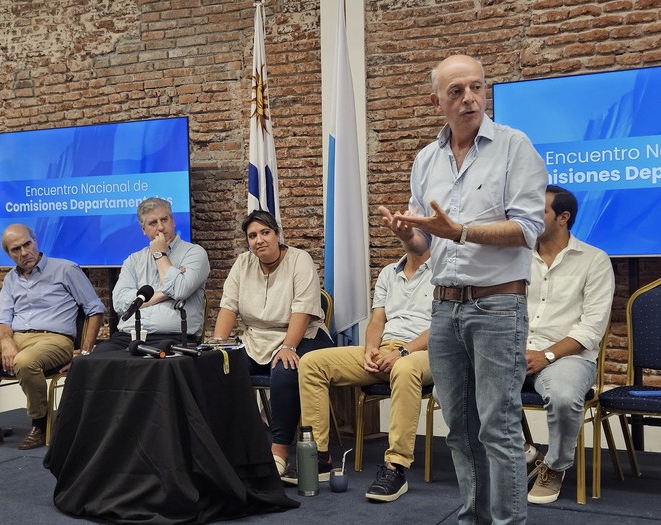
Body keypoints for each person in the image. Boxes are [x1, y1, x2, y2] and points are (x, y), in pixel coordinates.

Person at [380, 54, 547, 524]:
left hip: (498, 305)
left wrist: (461, 232)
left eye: (476, 87)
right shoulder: (426, 159)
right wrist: (405, 234)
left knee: (498, 428)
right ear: (438, 101)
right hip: (444, 310)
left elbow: (528, 228)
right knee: (460, 429)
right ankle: (475, 516)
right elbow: (424, 241)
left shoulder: (515, 147)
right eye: (456, 91)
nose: (469, 97)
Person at [297, 246, 434, 502]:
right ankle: (320, 458)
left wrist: (403, 352)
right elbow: (377, 321)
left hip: (425, 353)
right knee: (312, 362)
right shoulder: (387, 273)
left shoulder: (445, 272)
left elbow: (443, 326)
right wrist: (371, 348)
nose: (408, 232)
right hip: (385, 350)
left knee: (405, 368)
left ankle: (396, 467)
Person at [0, 224, 105, 451]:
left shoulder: (66, 269)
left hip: (54, 339)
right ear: (9, 254)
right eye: (15, 249)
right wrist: (7, 342)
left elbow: (95, 310)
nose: (24, 252)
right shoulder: (11, 279)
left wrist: (84, 353)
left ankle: (39, 423)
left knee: (24, 361)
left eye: (27, 244)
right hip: (17, 338)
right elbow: (1, 321)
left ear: (35, 241)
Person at [212, 210, 333, 476]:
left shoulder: (300, 260)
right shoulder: (243, 263)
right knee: (220, 367)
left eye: (265, 232)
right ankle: (239, 445)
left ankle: (280, 450)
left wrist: (289, 345)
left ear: (277, 235)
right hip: (256, 338)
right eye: (252, 236)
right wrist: (218, 345)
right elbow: (228, 308)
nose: (259, 240)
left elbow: (302, 309)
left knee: (285, 369)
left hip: (303, 334)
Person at [524, 185, 614, 504]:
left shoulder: (594, 260)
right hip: (518, 352)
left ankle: (555, 466)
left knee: (563, 396)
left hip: (567, 357)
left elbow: (591, 329)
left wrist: (546, 355)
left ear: (563, 217)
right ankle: (522, 451)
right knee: (453, 386)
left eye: (540, 211)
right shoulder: (517, 259)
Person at [93, 197, 209, 352]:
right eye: (153, 223)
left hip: (171, 338)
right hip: (129, 336)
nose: (160, 227)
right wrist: (164, 294)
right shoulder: (133, 260)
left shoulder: (194, 253)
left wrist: (160, 254)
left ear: (173, 222)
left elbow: (180, 290)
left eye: (164, 219)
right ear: (143, 230)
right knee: (96, 358)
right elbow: (120, 304)